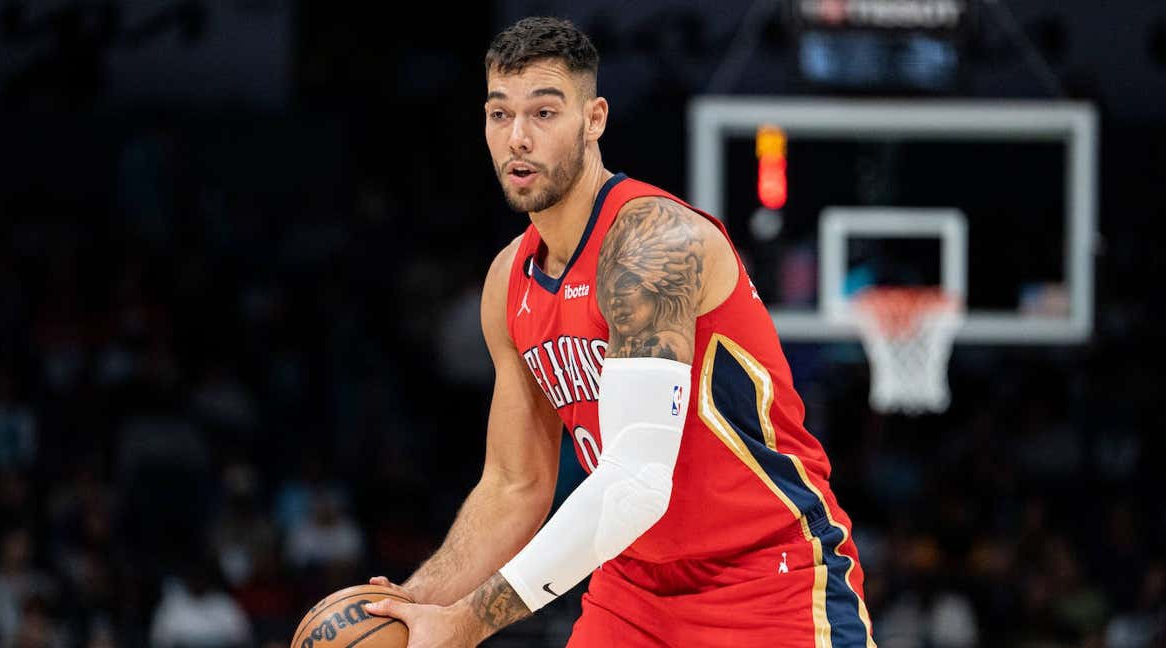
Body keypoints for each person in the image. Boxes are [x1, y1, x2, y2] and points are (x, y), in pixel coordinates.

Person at [363, 16, 876, 647]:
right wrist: (410, 606)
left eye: (544, 113)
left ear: (595, 118)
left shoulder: (650, 245)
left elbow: (636, 481)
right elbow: (514, 486)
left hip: (765, 578)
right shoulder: (509, 281)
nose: (517, 138)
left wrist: (470, 621)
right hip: (632, 590)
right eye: (500, 115)